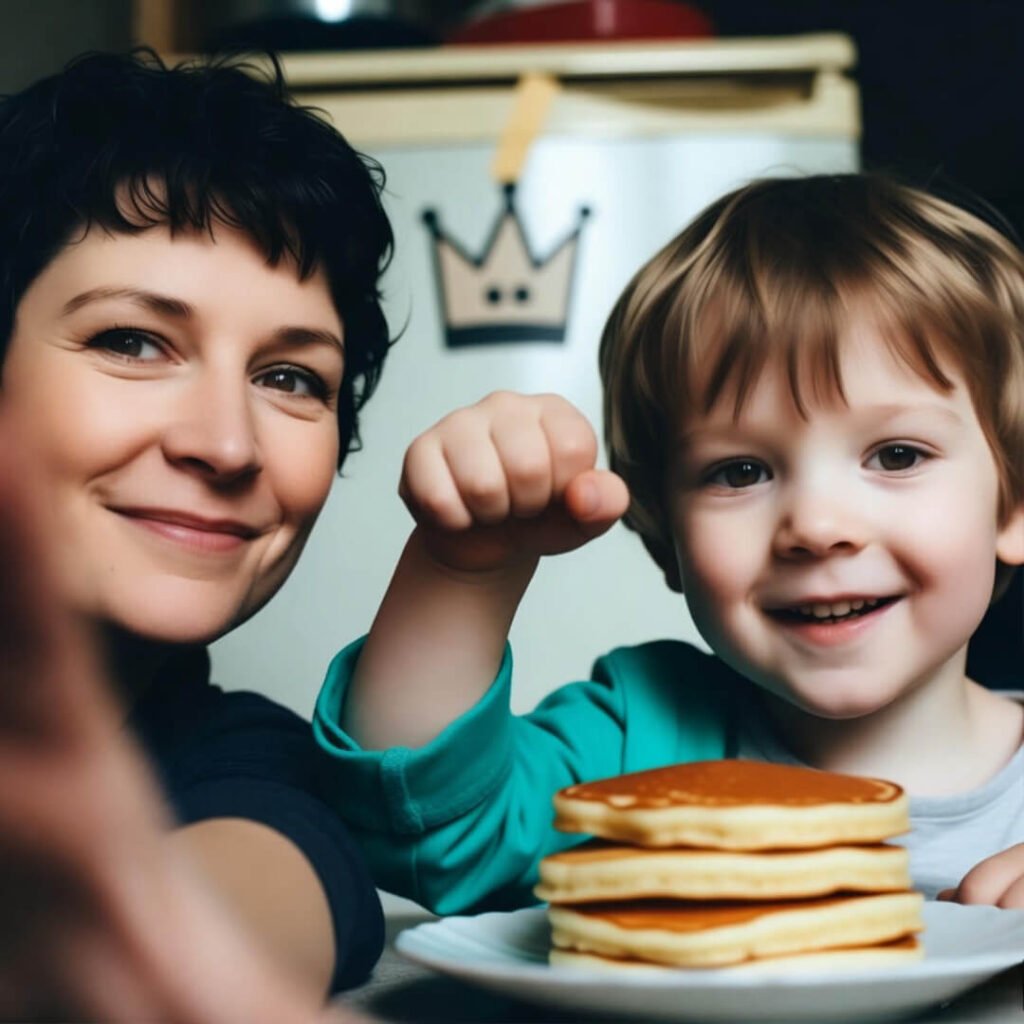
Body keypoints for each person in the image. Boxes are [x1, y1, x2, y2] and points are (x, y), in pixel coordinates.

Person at [313, 173, 1024, 915]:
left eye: (897, 455)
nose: (816, 527)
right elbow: (427, 831)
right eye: (740, 471)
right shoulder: (635, 739)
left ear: (1014, 502)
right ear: (662, 533)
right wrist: (463, 567)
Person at [0, 48, 392, 1018]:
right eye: (133, 341)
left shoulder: (259, 772)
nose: (226, 443)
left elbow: (190, 959)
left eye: (292, 377)